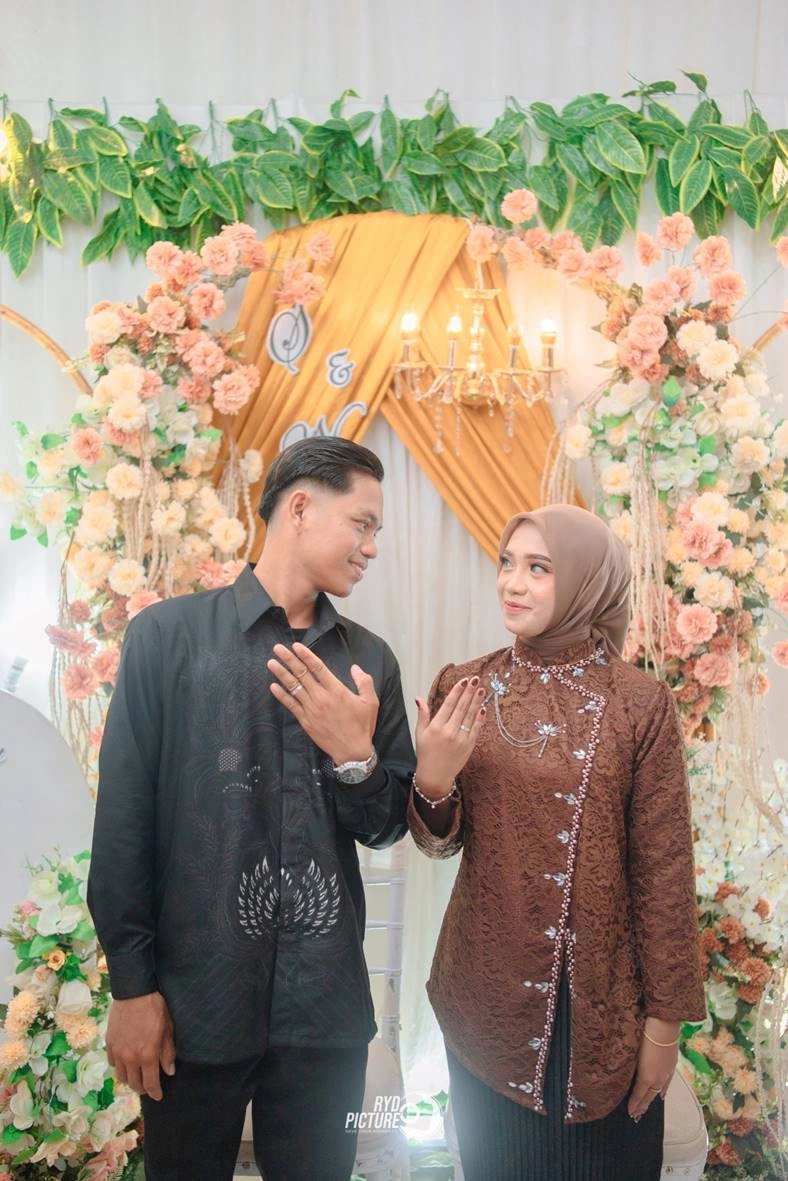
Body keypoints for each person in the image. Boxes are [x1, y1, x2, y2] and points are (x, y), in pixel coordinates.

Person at [88, 436, 414, 1181]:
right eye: (362, 524)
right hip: (191, 1001)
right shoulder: (167, 638)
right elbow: (125, 823)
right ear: (299, 507)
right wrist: (132, 987)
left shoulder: (368, 662)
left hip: (325, 1011)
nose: (371, 547)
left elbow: (388, 824)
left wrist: (355, 756)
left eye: (376, 531)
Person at [409, 504, 706, 1181]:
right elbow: (436, 845)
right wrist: (432, 780)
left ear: (585, 581)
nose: (512, 583)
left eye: (539, 567)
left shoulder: (639, 705)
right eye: (507, 563)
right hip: (485, 999)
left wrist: (664, 1027)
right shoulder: (464, 687)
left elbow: (663, 872)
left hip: (600, 1011)